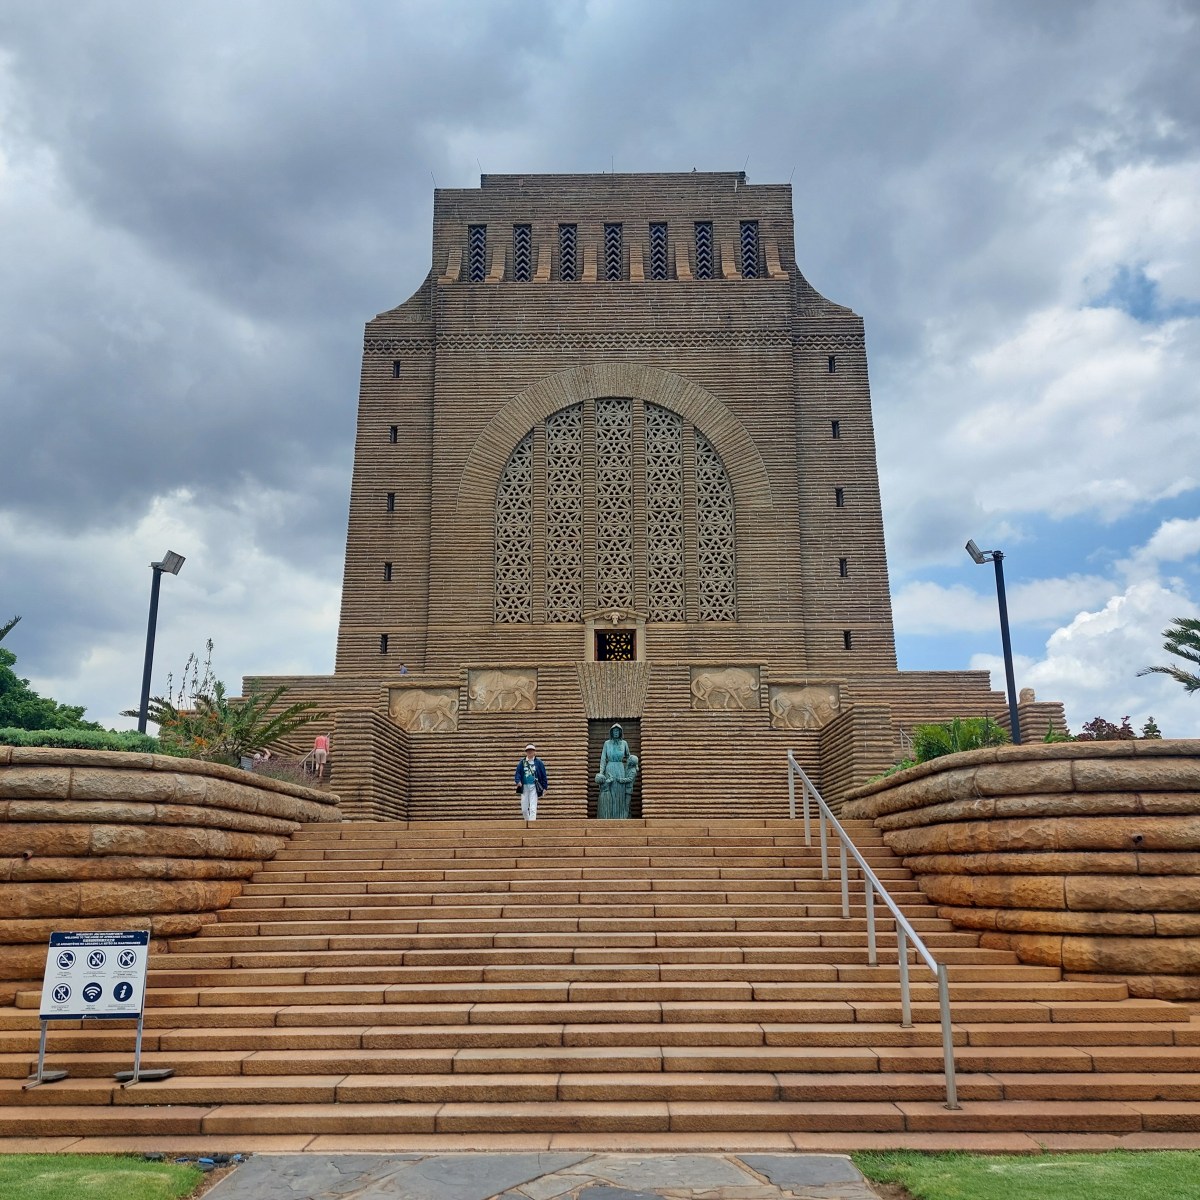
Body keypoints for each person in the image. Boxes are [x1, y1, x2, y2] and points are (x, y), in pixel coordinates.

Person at [596, 723, 633, 819]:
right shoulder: (607, 743)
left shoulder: (624, 743)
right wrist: (601, 772)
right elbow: (603, 759)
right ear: (611, 732)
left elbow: (629, 758)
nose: (616, 733)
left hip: (620, 769)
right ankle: (609, 815)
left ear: (620, 732)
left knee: (620, 792)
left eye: (617, 731)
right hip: (610, 769)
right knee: (610, 792)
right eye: (614, 731)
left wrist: (633, 768)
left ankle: (620, 816)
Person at [513, 743, 548, 821]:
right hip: (524, 786)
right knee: (524, 809)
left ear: (534, 751)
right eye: (528, 751)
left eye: (531, 750)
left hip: (534, 787)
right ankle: (527, 822)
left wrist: (545, 787)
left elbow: (543, 775)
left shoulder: (539, 762)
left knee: (533, 807)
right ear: (526, 752)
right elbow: (518, 773)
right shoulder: (522, 762)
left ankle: (532, 824)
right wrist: (518, 781)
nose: (530, 752)